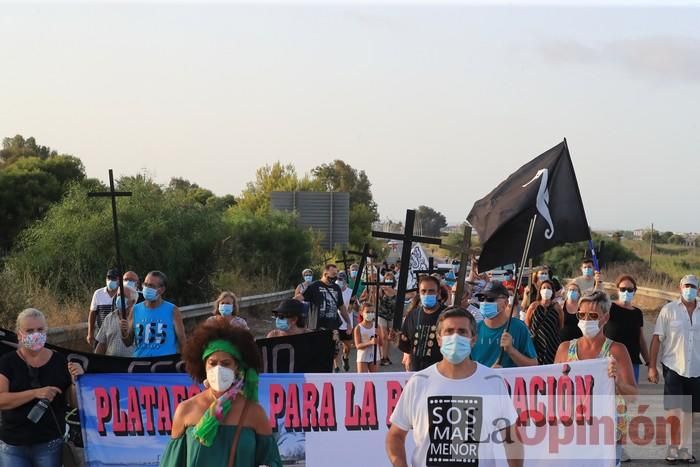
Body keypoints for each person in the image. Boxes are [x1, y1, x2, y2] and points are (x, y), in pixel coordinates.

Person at [387, 308, 523, 467]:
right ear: (439, 339)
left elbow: (511, 437)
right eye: (449, 331)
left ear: (473, 340)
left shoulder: (492, 381)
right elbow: (395, 436)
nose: (455, 337)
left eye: (462, 332)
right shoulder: (419, 382)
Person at [161, 319, 281, 467]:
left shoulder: (254, 413)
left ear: (237, 367)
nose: (218, 369)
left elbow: (271, 461)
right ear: (203, 365)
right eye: (212, 363)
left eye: (225, 363)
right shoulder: (186, 410)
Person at [554, 290, 637, 466]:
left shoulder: (617, 350)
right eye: (581, 314)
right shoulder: (565, 349)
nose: (586, 320)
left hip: (607, 431)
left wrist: (618, 381)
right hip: (573, 432)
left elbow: (632, 395)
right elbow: (553, 393)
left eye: (592, 315)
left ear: (605, 318)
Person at [0, 308, 85, 467]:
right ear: (19, 334)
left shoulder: (60, 361)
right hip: (13, 445)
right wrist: (35, 393)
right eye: (30, 330)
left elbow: (73, 403)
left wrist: (76, 382)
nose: (36, 334)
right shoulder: (7, 362)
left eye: (40, 329)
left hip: (49, 444)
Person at [648, 275, 700, 464]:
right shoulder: (668, 310)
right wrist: (652, 367)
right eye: (686, 286)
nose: (689, 289)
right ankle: (672, 447)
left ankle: (685, 449)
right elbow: (656, 339)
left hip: (696, 369)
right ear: (680, 288)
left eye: (693, 287)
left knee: (688, 412)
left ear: (698, 290)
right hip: (673, 367)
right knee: (674, 410)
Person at [471, 281, 538, 368]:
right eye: (481, 298)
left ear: (505, 303)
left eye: (490, 299)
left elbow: (533, 366)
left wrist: (511, 351)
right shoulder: (474, 329)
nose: (485, 302)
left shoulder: (519, 328)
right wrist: (487, 373)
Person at [127, 270, 186, 357]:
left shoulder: (172, 310)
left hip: (165, 364)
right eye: (145, 284)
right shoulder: (135, 309)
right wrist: (123, 332)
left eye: (151, 286)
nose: (146, 288)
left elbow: (182, 341)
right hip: (141, 364)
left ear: (161, 290)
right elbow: (128, 342)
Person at [604, 275, 649, 383]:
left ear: (634, 291)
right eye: (623, 289)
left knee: (629, 396)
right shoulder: (609, 307)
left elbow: (641, 339)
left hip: (632, 362)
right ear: (617, 290)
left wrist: (649, 363)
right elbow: (595, 303)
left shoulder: (637, 313)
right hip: (610, 361)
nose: (626, 292)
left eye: (630, 290)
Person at [398, 275, 446, 371]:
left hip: (440, 371)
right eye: (423, 291)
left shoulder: (447, 315)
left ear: (438, 293)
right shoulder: (413, 315)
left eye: (431, 291)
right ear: (419, 293)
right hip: (416, 370)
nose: (427, 294)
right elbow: (406, 342)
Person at [300, 264, 351, 333]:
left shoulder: (336, 288)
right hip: (316, 327)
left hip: (332, 327)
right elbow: (300, 298)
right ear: (325, 274)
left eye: (336, 274)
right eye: (333, 274)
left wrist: (348, 322)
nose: (335, 277)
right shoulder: (314, 286)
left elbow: (341, 306)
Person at [524, 279, 564, 365]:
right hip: (536, 343)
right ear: (540, 291)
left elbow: (561, 324)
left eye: (549, 288)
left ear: (552, 291)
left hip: (552, 343)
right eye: (544, 288)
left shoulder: (557, 307)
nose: (546, 290)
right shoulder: (533, 306)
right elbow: (527, 324)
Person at [95, 286, 137, 357]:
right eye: (119, 295)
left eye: (124, 296)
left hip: (131, 365)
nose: (120, 298)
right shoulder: (109, 318)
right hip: (111, 364)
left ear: (133, 301)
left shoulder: (141, 319)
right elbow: (102, 344)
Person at [87, 268, 120, 348]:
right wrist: (90, 333)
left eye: (114, 278)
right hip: (100, 334)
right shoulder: (98, 293)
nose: (110, 280)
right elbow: (92, 313)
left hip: (117, 335)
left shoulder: (123, 294)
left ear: (119, 280)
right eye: (109, 278)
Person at [354, 303, 384, 373]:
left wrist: (378, 336)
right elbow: (358, 346)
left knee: (374, 380)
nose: (370, 314)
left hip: (374, 356)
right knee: (362, 380)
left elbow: (381, 343)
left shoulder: (377, 326)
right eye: (367, 312)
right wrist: (370, 342)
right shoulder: (358, 328)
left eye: (372, 312)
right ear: (361, 313)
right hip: (363, 357)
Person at [336, 272, 354, 372]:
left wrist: (353, 302)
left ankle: (345, 358)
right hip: (335, 323)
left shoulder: (351, 292)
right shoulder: (333, 291)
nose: (339, 281)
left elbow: (353, 309)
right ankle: (336, 366)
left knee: (347, 347)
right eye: (338, 279)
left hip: (347, 324)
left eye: (341, 279)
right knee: (335, 347)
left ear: (345, 281)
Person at [378, 270, 397, 366]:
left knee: (389, 338)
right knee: (384, 336)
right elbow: (376, 297)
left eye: (390, 279)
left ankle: (386, 356)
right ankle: (382, 357)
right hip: (382, 315)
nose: (389, 281)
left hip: (391, 316)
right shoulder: (381, 290)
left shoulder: (395, 291)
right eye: (387, 279)